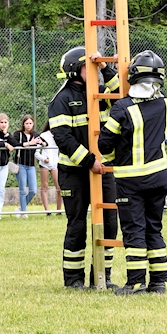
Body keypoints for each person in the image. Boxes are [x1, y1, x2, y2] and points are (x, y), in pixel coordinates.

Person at [98, 50, 167, 295]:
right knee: (154, 228)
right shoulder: (165, 103)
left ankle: (136, 282)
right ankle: (159, 282)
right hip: (160, 176)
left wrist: (111, 161)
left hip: (131, 180)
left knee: (133, 230)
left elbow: (104, 143)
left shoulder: (121, 108)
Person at [48, 46, 120, 288]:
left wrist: (105, 67)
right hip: (74, 172)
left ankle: (102, 276)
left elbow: (121, 96)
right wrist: (90, 162)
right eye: (86, 67)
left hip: (104, 170)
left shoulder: (99, 94)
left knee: (110, 223)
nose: (91, 71)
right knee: (77, 224)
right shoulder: (61, 100)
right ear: (74, 71)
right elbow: (64, 138)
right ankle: (73, 279)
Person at [10, 115, 43, 219]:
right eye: (26, 123)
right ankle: (24, 212)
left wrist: (42, 142)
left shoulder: (36, 134)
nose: (28, 125)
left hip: (31, 165)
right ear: (23, 124)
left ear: (33, 124)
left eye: (30, 123)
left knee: (33, 190)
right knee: (22, 189)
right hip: (21, 164)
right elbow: (15, 144)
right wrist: (29, 143)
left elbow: (44, 143)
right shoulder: (18, 134)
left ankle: (20, 208)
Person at [36, 122, 62, 216]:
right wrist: (44, 159)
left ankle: (59, 211)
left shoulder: (60, 134)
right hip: (45, 164)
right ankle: (47, 211)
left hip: (55, 163)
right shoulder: (43, 135)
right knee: (44, 186)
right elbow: (37, 153)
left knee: (59, 187)